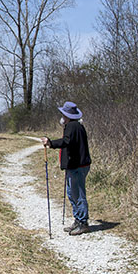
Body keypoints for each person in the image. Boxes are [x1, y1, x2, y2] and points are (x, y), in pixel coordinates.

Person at [41, 101, 91, 235]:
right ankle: (78, 220)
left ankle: (83, 222)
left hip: (78, 166)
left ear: (67, 115)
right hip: (77, 165)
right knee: (72, 193)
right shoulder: (75, 126)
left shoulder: (72, 126)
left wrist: (50, 143)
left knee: (78, 194)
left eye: (63, 114)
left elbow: (66, 142)